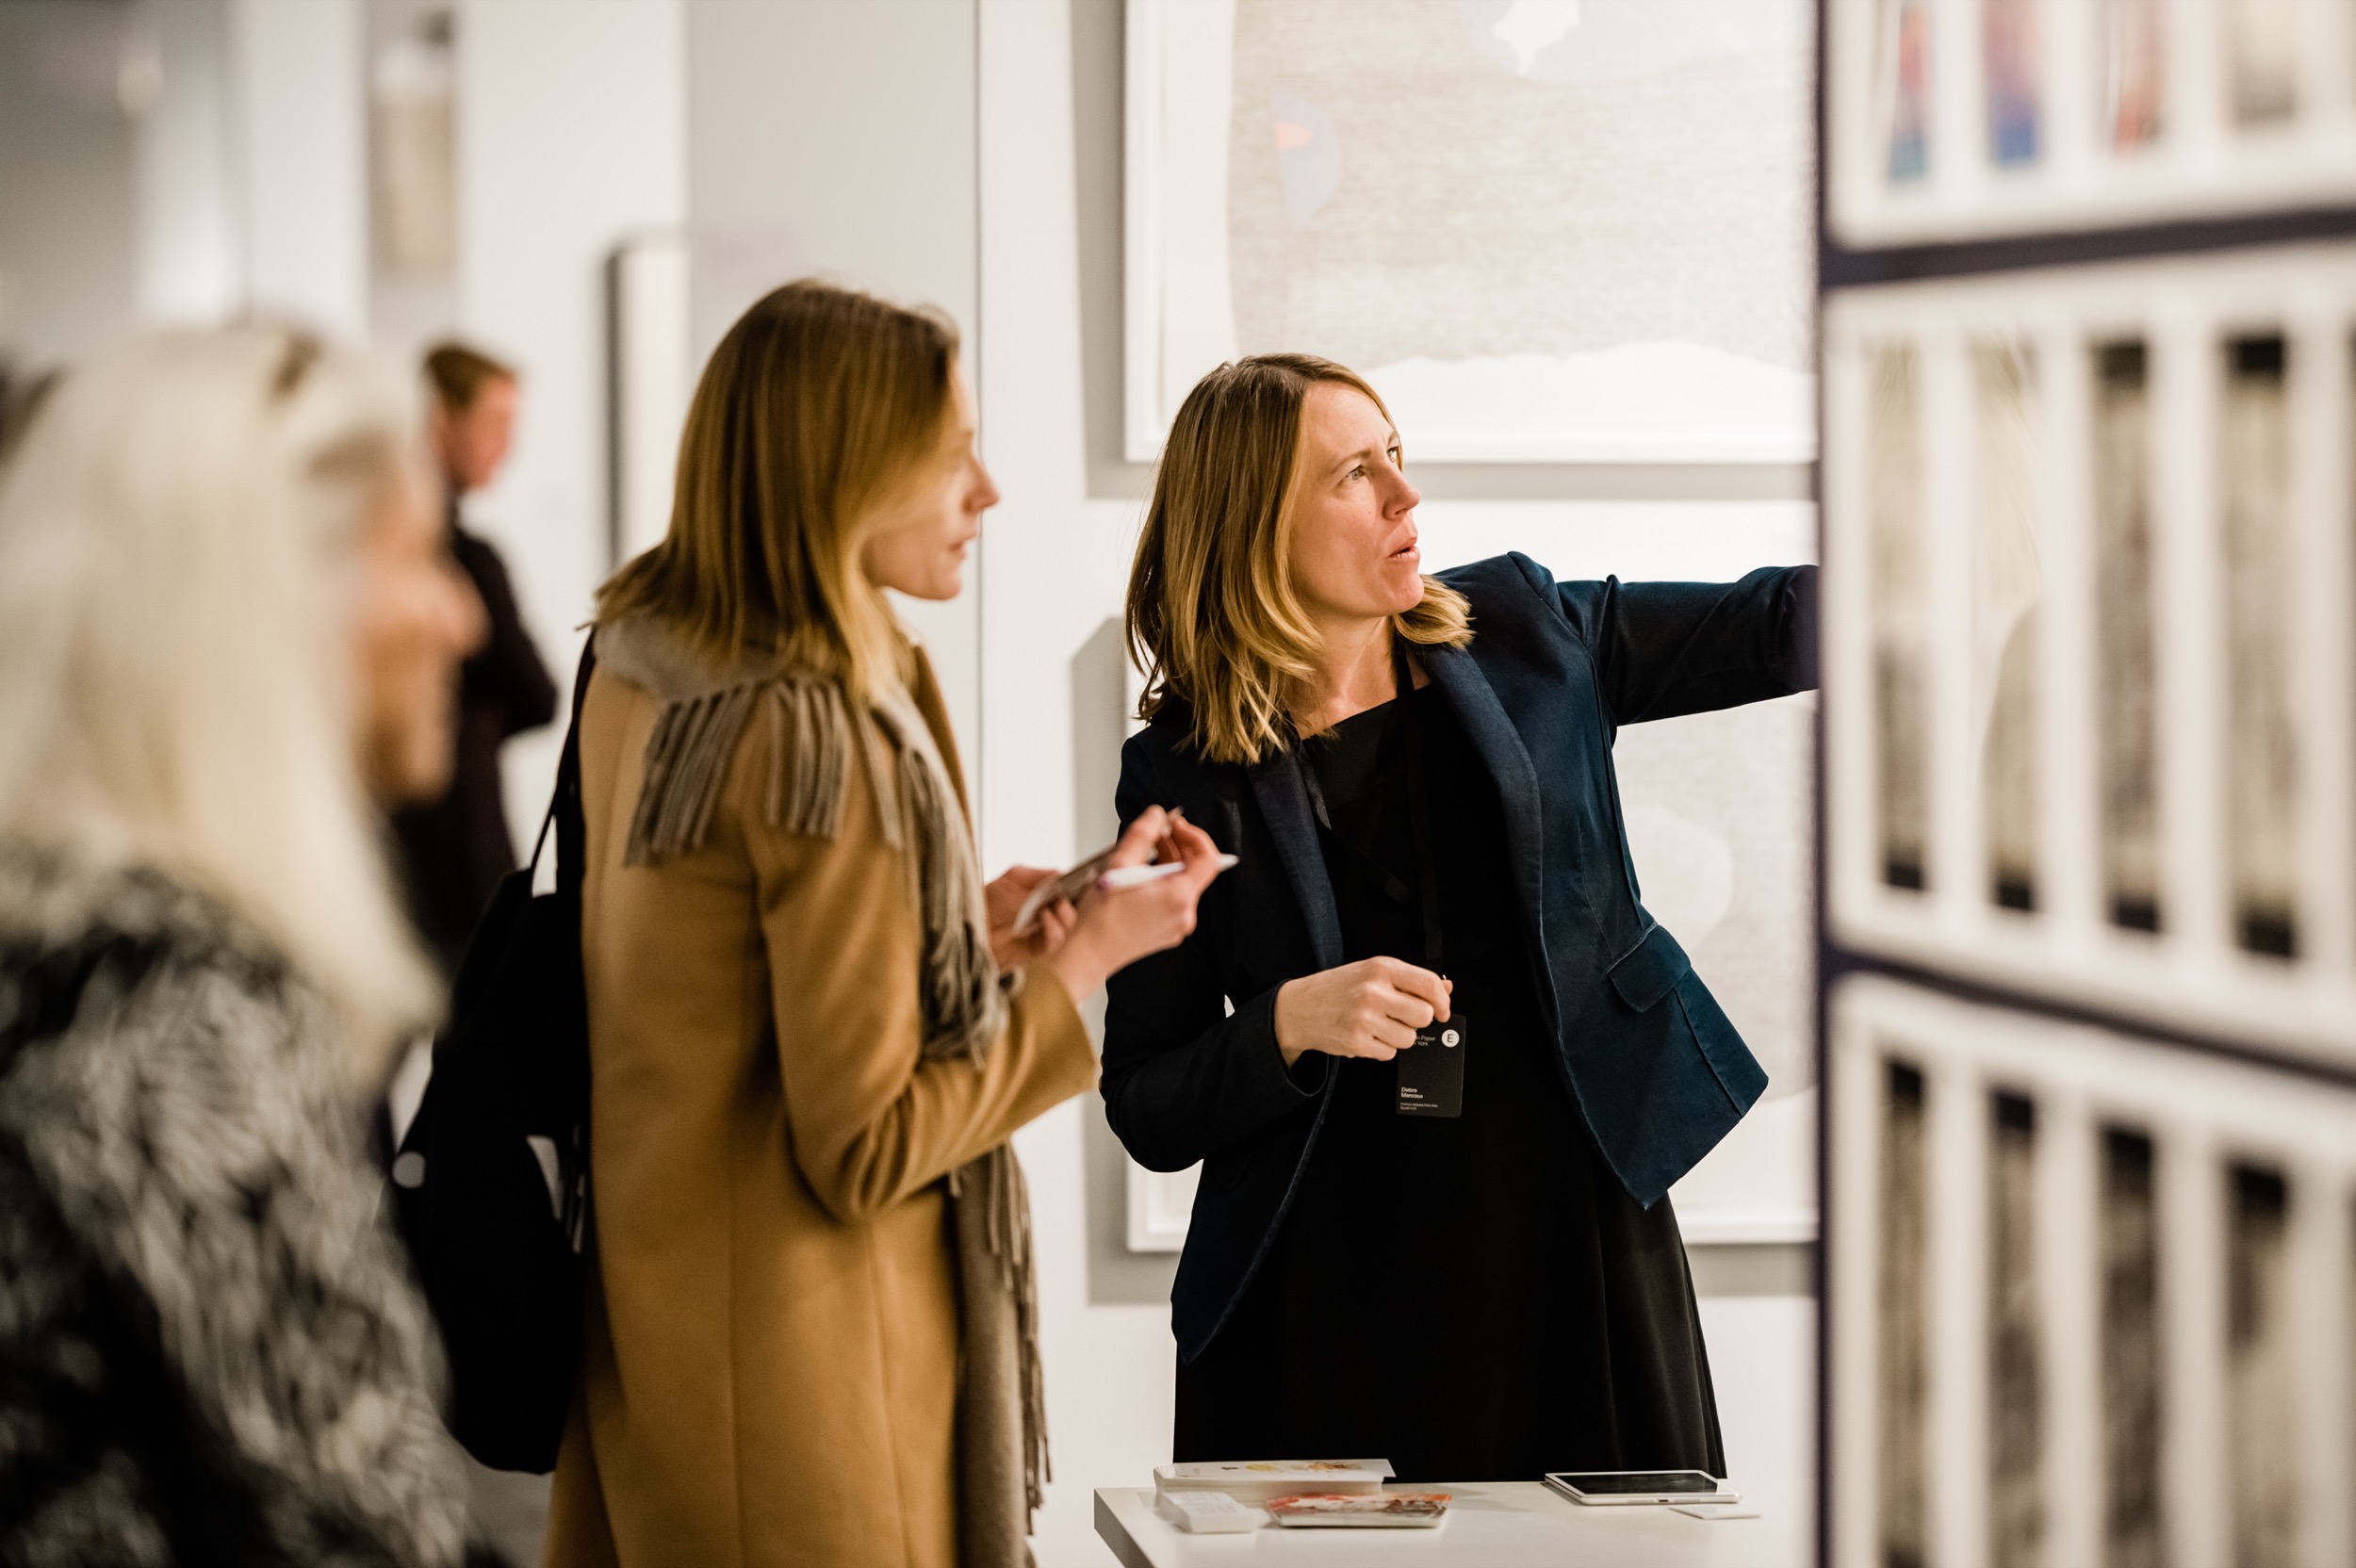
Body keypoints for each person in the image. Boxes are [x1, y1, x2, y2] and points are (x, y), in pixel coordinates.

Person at [543, 280, 1226, 1568]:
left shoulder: (648, 666)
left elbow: (714, 989)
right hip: (811, 1393)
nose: (987, 490)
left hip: (667, 1341)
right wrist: (1085, 960)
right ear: (846, 469)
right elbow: (865, 1145)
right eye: (950, 451)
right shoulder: (817, 733)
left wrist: (962, 938)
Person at [1104, 353, 1819, 1483]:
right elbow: (1145, 1096)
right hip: (1327, 1282)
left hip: (1575, 1242)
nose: (1405, 495)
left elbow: (1773, 621)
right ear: (1252, 523)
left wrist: (1958, 537)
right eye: (1355, 473)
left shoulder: (1530, 629)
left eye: (1395, 455)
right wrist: (1287, 1021)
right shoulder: (1180, 772)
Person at [0, 326, 488, 1562]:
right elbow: (363, 1528)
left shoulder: (57, 943)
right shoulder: (177, 1014)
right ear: (270, 605)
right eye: (420, 557)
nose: (463, 617)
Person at [389, 341, 556, 974]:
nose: (506, 446)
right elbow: (534, 693)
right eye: (495, 423)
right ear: (441, 419)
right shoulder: (465, 561)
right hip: (443, 858)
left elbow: (539, 697)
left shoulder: (473, 557)